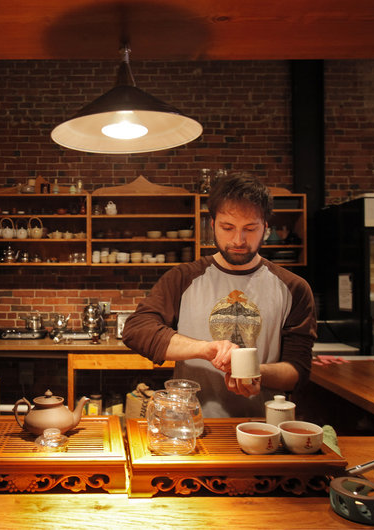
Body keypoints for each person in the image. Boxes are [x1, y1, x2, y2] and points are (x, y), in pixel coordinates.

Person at [121, 172, 316, 417]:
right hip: (189, 426)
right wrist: (206, 349)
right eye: (227, 227)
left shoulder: (293, 287)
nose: (238, 240)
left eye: (250, 229)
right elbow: (136, 330)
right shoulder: (183, 278)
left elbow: (297, 371)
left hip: (262, 428)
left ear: (266, 228)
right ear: (212, 224)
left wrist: (253, 370)